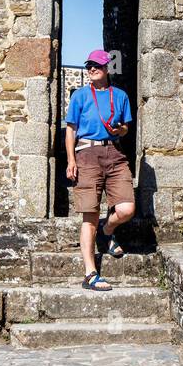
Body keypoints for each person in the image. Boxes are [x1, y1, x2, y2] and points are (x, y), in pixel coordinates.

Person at [65, 49, 135, 292]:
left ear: (107, 68)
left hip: (114, 153)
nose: (92, 69)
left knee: (127, 209)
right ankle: (90, 273)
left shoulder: (121, 95)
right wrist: (71, 160)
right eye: (89, 66)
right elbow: (71, 130)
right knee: (89, 215)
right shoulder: (81, 96)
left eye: (96, 65)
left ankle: (107, 231)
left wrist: (121, 131)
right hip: (86, 154)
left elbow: (126, 126)